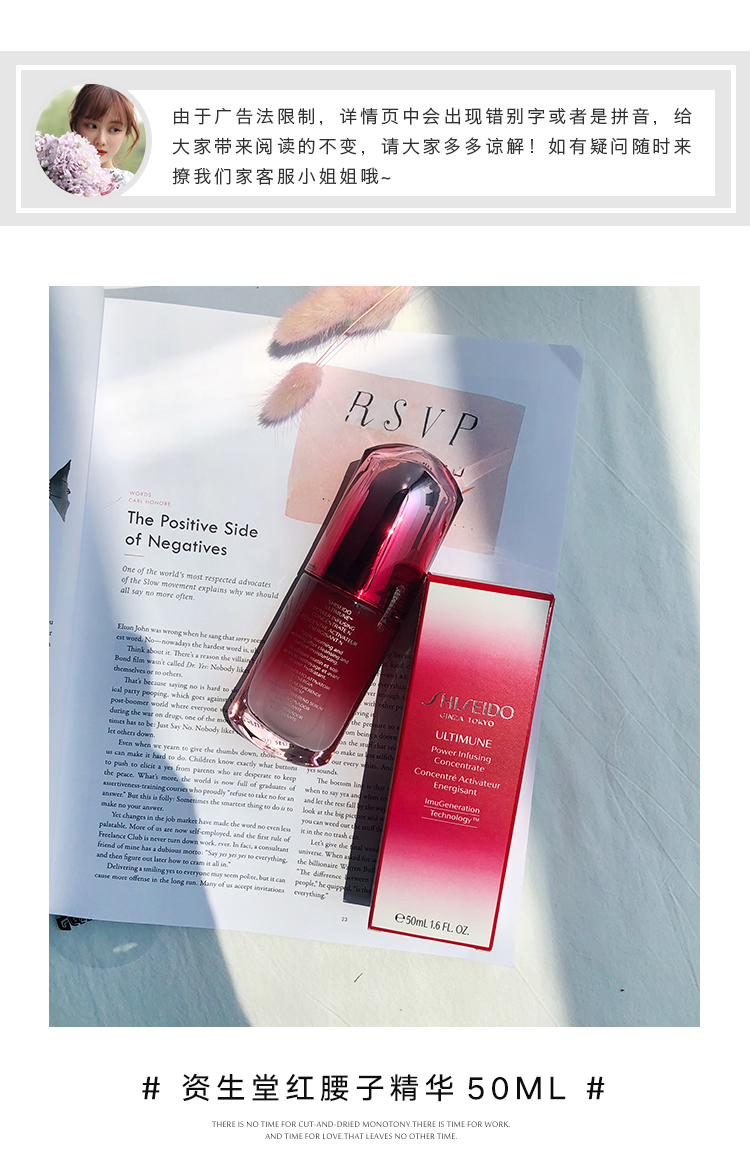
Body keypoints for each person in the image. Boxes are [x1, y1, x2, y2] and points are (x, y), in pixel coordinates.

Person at [69, 84, 141, 190]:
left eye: (114, 129)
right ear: (75, 123)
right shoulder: (55, 173)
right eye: (92, 126)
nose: (101, 141)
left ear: (126, 132)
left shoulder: (127, 184)